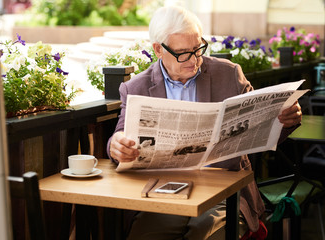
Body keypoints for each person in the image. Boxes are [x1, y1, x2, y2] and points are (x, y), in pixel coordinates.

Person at [107, 5, 302, 240]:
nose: (193, 60)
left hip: (223, 194)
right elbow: (119, 138)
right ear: (158, 50)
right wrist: (117, 146)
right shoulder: (136, 87)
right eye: (183, 53)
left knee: (206, 235)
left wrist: (284, 122)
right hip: (164, 194)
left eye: (198, 49)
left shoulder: (229, 74)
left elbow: (262, 133)